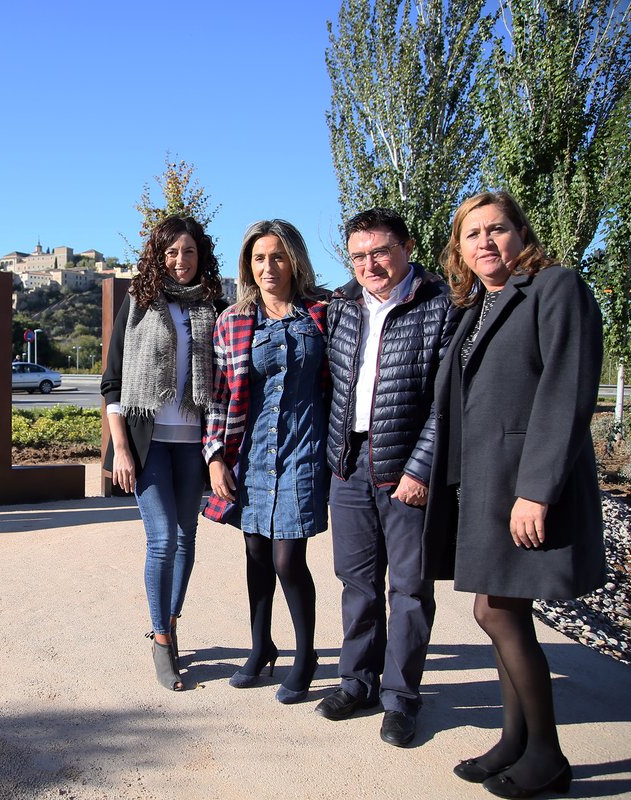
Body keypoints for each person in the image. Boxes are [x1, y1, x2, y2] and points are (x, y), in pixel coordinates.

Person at [425, 191, 604, 798]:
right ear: (459, 248)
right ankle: (516, 740)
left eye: (497, 230)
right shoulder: (477, 307)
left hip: (524, 488)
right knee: (501, 611)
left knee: (496, 611)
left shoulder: (556, 288)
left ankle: (547, 752)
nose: (484, 243)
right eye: (472, 234)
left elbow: (566, 390)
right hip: (483, 487)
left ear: (520, 234)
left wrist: (536, 490)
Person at [319, 208, 455, 747]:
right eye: (359, 255)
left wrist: (421, 468)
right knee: (356, 583)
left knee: (410, 589)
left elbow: (448, 403)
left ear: (407, 247)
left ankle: (401, 698)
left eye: (381, 251)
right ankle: (357, 681)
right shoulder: (341, 305)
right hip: (348, 464)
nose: (370, 264)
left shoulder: (440, 304)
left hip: (404, 465)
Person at [203, 219, 329, 703]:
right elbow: (218, 396)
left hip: (304, 450)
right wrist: (215, 458)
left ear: (293, 259)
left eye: (277, 256)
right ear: (247, 266)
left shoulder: (323, 312)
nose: (268, 267)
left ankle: (306, 654)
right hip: (251, 452)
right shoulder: (233, 320)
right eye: (259, 258)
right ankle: (261, 647)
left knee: (287, 557)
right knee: (255, 553)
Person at [102, 215, 224, 691]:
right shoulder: (138, 304)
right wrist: (121, 450)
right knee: (163, 541)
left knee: (188, 538)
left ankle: (170, 622)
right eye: (171, 252)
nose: (180, 261)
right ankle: (160, 639)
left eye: (188, 251)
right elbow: (112, 382)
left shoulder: (213, 306)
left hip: (194, 444)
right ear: (159, 255)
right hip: (147, 444)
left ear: (201, 255)